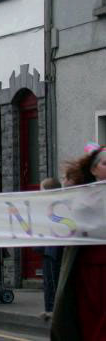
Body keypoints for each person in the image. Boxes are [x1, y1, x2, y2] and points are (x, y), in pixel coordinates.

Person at [51, 146, 106, 341]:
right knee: (90, 316)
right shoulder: (82, 196)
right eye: (105, 163)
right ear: (93, 169)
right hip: (90, 267)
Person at [35, 177, 63, 321]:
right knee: (48, 280)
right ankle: (49, 309)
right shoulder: (46, 207)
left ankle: (53, 310)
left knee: (52, 280)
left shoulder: (57, 207)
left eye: (42, 190)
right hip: (48, 249)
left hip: (53, 250)